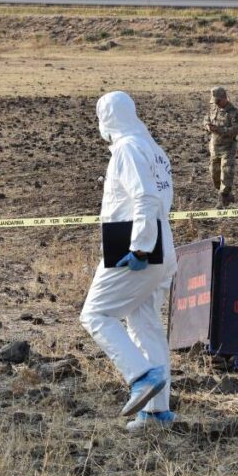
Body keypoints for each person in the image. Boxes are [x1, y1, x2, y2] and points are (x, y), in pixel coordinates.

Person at [80, 91, 178, 433]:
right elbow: (161, 196)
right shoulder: (151, 148)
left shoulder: (126, 149)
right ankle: (156, 413)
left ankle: (140, 376)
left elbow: (146, 197)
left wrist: (138, 248)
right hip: (162, 246)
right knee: (144, 323)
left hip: (136, 248)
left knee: (95, 314)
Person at [204, 86, 238, 207]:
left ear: (225, 98)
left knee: (226, 172)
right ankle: (225, 194)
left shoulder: (234, 112)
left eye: (218, 101)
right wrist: (208, 126)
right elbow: (206, 119)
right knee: (214, 173)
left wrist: (219, 130)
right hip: (215, 147)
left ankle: (224, 199)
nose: (216, 104)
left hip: (228, 147)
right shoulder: (213, 108)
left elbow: (235, 130)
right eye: (215, 101)